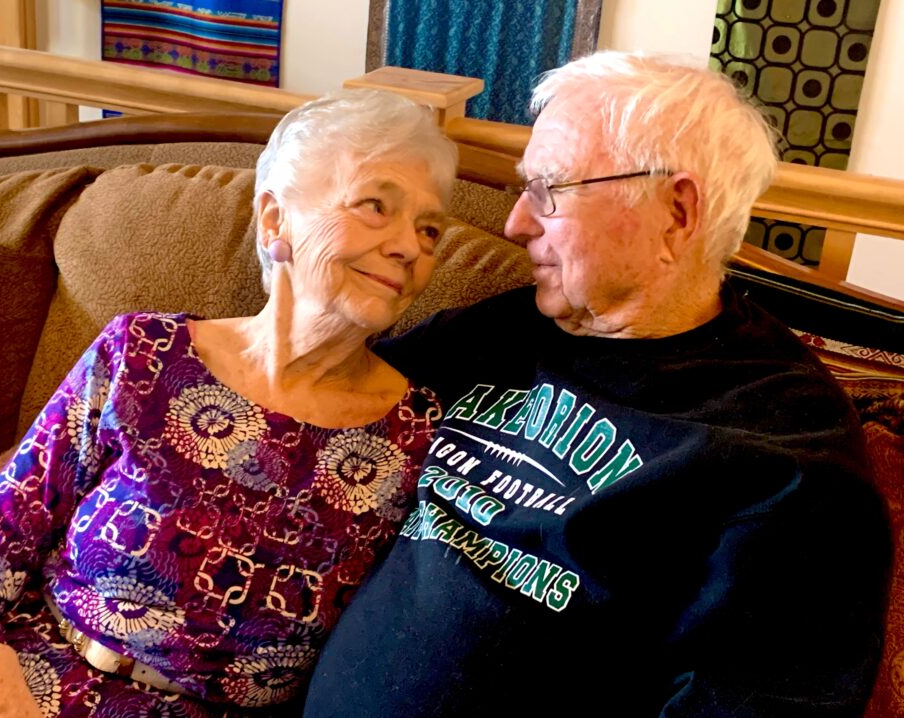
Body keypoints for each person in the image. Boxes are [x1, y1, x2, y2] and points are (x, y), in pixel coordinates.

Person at [304, 53, 891, 717]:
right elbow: (313, 407)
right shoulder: (505, 328)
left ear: (676, 212)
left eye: (549, 189)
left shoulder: (789, 465)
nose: (515, 224)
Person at [0, 89, 456, 717]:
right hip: (4, 681)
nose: (410, 247)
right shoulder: (144, 355)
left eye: (429, 229)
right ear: (274, 221)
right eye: (376, 206)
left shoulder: (420, 439)